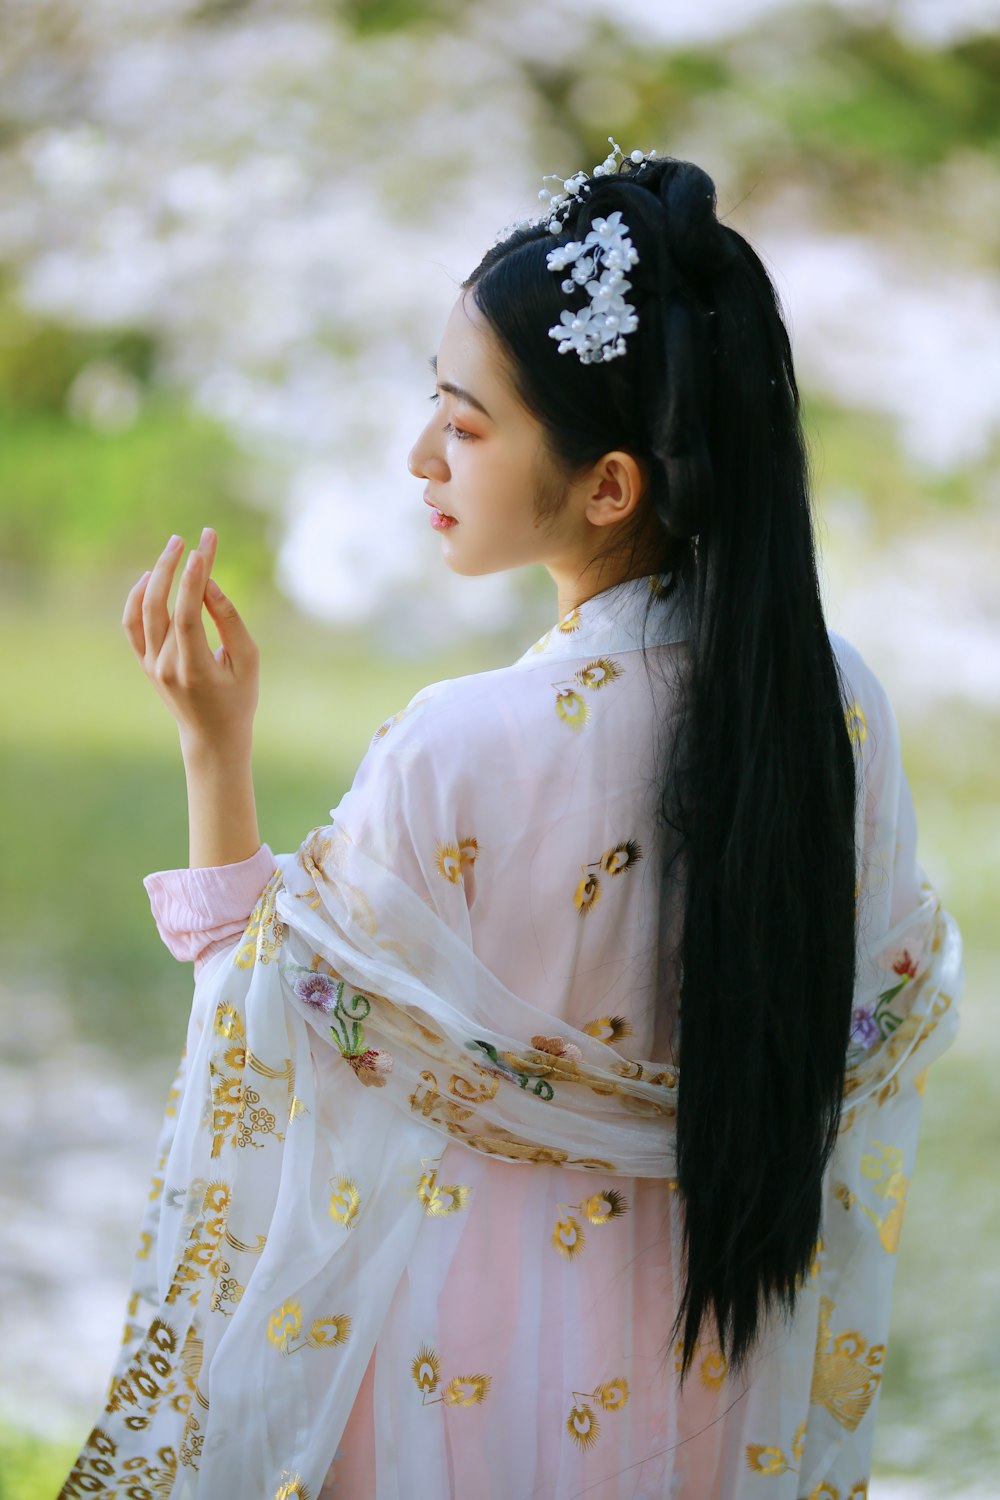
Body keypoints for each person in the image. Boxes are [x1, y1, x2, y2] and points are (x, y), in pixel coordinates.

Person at [61, 143, 962, 1500]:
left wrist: (212, 750)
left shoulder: (460, 743)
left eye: (467, 424)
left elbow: (276, 1019)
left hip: (460, 1364)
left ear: (609, 484)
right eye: (437, 403)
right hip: (714, 1355)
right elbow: (879, 1027)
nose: (419, 454)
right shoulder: (835, 704)